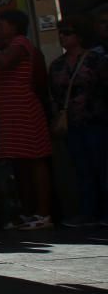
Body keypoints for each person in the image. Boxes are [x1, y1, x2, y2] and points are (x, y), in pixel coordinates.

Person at [0, 10, 54, 230]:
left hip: (25, 112)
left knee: (36, 160)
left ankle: (44, 213)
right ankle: (29, 212)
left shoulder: (21, 43)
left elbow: (6, 63)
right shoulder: (5, 50)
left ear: (14, 27)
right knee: (21, 164)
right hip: (10, 117)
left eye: (1, 24)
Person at [48, 16, 108, 227]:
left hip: (96, 120)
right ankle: (88, 212)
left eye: (67, 32)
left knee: (102, 167)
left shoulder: (96, 60)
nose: (62, 36)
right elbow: (54, 94)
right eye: (61, 32)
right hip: (71, 124)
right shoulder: (56, 65)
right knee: (81, 169)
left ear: (79, 35)